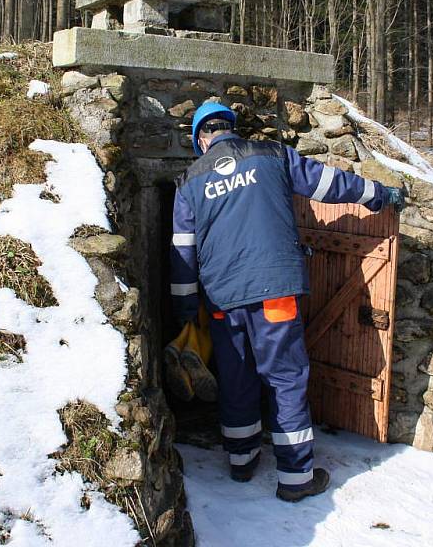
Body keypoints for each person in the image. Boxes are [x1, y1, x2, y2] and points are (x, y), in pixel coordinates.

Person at [170, 101, 405, 503]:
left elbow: (182, 251)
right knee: (284, 379)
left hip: (223, 300)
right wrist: (378, 194)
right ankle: (295, 477)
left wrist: (186, 310)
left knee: (236, 375)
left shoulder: (189, 182)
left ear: (201, 139)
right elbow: (328, 184)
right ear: (230, 128)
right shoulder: (272, 155)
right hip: (276, 291)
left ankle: (241, 460)